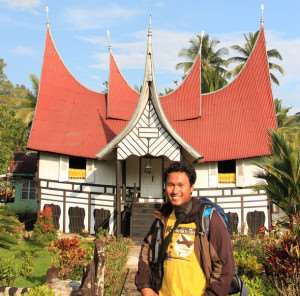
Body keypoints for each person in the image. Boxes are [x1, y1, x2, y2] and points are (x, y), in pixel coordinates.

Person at [135, 161, 234, 296]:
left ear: (191, 188)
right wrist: (145, 287)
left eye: (181, 185)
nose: (175, 191)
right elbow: (146, 253)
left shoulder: (207, 219)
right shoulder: (162, 218)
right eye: (170, 185)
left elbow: (225, 266)